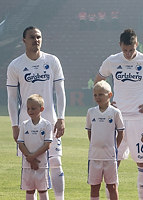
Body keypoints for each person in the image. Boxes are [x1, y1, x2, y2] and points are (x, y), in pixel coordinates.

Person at [94, 28, 143, 200]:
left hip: (139, 119)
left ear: (136, 44)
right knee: (112, 164)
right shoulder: (112, 61)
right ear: (120, 45)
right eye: (125, 50)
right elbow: (98, 81)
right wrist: (108, 102)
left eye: (131, 49)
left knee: (142, 163)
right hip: (116, 120)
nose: (127, 53)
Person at [6, 26, 66, 200]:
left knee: (55, 162)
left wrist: (61, 117)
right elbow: (11, 97)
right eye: (32, 37)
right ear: (24, 40)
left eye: (39, 37)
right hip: (26, 124)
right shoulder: (16, 65)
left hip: (50, 121)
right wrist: (14, 125)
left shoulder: (52, 61)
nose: (36, 40)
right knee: (31, 165)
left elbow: (60, 91)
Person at [86, 81, 124, 200]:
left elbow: (121, 132)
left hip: (110, 157)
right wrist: (95, 144)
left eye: (101, 94)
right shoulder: (91, 112)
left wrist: (114, 147)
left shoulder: (115, 112)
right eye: (95, 95)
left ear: (109, 95)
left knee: (112, 186)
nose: (98, 97)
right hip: (94, 156)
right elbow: (89, 131)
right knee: (94, 187)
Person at [17, 94, 53, 200]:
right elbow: (20, 143)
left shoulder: (46, 125)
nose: (30, 111)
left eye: (33, 108)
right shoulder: (24, 125)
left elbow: (47, 144)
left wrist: (33, 157)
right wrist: (30, 158)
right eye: (28, 108)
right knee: (30, 190)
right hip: (27, 164)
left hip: (41, 164)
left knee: (42, 189)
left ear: (41, 109)